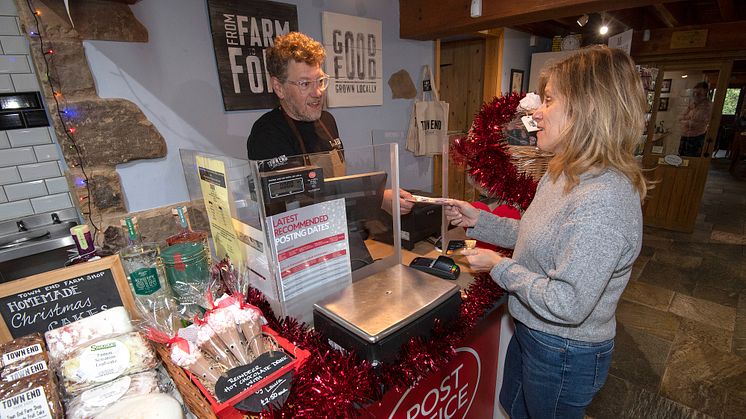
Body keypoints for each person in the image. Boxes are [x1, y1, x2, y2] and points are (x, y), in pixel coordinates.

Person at [444, 46, 648, 418]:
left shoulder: (604, 199)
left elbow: (568, 303)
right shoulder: (562, 172)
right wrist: (479, 219)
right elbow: (538, 233)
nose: (535, 112)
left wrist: (498, 267)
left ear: (587, 110)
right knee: (512, 406)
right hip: (534, 332)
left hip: (564, 351)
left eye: (549, 100)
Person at [247, 32, 413, 215]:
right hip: (302, 236)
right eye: (304, 84)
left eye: (320, 81)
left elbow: (337, 186)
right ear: (279, 87)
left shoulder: (327, 120)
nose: (317, 92)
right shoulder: (266, 134)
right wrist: (377, 199)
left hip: (340, 224)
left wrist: (379, 194)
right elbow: (296, 203)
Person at [678, 81, 713, 157]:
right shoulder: (693, 104)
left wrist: (686, 120)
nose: (696, 95)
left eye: (699, 93)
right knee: (681, 158)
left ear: (705, 93)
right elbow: (680, 118)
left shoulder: (707, 106)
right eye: (694, 93)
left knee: (691, 159)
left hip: (696, 137)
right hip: (685, 135)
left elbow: (697, 125)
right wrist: (688, 119)